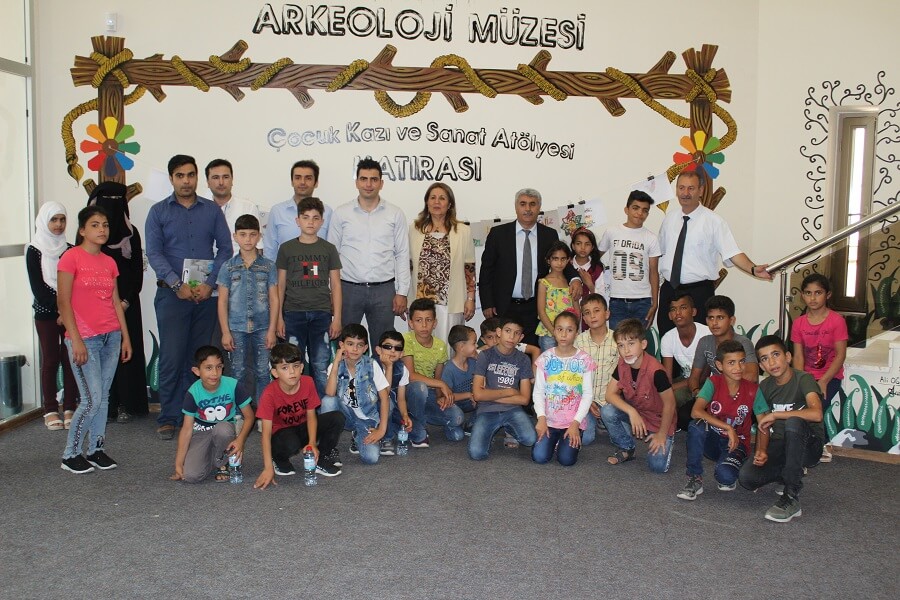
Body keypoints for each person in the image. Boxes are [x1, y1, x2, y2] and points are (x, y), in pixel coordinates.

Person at [146, 154, 232, 440]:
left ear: (197, 178)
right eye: (180, 175)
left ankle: (194, 413)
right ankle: (169, 416)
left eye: (190, 175)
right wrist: (175, 284)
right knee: (171, 357)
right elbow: (155, 253)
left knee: (198, 358)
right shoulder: (158, 212)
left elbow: (225, 250)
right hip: (172, 296)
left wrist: (210, 284)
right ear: (172, 178)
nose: (186, 181)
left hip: (204, 296)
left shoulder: (211, 210)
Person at [57, 205, 132, 474]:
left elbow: (114, 302)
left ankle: (96, 449)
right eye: (95, 225)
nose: (102, 230)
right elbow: (63, 302)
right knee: (91, 399)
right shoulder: (70, 258)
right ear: (82, 230)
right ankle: (71, 454)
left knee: (103, 398)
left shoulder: (109, 262)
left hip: (111, 336)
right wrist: (75, 339)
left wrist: (125, 337)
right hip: (84, 339)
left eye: (105, 225)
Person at [657, 170, 772, 336]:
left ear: (701, 190)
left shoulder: (714, 222)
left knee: (701, 344)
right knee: (667, 338)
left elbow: (732, 252)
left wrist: (753, 269)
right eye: (681, 188)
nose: (685, 193)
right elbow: (659, 254)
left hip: (698, 292)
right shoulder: (669, 219)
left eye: (691, 188)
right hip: (670, 290)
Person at [479, 188, 582, 346]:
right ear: (516, 207)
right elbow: (486, 270)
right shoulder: (498, 234)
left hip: (536, 306)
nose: (528, 209)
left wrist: (575, 278)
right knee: (505, 352)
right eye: (523, 204)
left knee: (533, 351)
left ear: (539, 207)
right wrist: (487, 302)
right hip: (503, 305)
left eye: (532, 204)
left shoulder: (549, 235)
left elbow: (562, 261)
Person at [739, 335, 825, 523]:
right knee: (747, 478)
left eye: (776, 354)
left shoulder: (804, 379)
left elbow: (816, 414)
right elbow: (763, 424)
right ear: (761, 366)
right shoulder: (765, 386)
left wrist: (777, 415)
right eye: (765, 359)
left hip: (809, 446)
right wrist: (761, 450)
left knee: (793, 422)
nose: (772, 362)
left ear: (787, 357)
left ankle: (791, 496)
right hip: (781, 444)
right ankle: (789, 472)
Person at [328, 158, 410, 348]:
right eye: (363, 179)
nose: (368, 184)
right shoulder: (341, 213)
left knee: (383, 347)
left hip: (384, 290)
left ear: (381, 183)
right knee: (347, 346)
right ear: (356, 182)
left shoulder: (395, 213)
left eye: (374, 179)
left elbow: (402, 254)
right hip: (348, 289)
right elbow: (332, 256)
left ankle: (383, 378)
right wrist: (330, 292)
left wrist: (402, 292)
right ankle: (345, 378)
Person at [87, 182, 149, 424]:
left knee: (126, 353)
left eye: (116, 199)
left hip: (126, 304)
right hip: (96, 307)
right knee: (100, 355)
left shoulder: (131, 232)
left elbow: (136, 272)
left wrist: (125, 301)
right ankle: (105, 406)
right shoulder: (91, 235)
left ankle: (128, 404)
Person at [676, 340, 760, 500]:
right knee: (696, 425)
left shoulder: (753, 389)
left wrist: (761, 452)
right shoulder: (713, 382)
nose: (738, 367)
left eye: (742, 361)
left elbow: (763, 422)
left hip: (737, 442)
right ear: (719, 365)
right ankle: (694, 477)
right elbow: (696, 411)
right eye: (731, 363)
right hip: (714, 439)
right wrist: (727, 428)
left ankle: (733, 462)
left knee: (725, 478)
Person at [276, 196, 342, 397]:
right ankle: (296, 409)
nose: (310, 222)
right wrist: (278, 317)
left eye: (315, 218)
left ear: (322, 221)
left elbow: (336, 284)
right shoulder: (287, 248)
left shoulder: (328, 249)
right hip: (293, 314)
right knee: (292, 365)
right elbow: (280, 284)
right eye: (306, 217)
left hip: (321, 314)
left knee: (320, 364)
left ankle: (324, 410)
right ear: (298, 220)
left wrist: (337, 317)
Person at [253, 343, 345, 488]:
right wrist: (267, 467)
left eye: (295, 366)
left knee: (337, 418)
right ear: (275, 373)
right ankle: (278, 460)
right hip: (282, 435)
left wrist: (312, 443)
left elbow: (311, 416)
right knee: (291, 442)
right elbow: (265, 434)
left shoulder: (307, 382)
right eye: (285, 368)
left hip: (302, 428)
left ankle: (320, 458)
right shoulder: (269, 394)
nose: (292, 372)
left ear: (302, 368)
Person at [26, 202, 78, 430]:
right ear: (44, 222)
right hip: (46, 313)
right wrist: (60, 309)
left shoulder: (70, 249)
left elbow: (75, 283)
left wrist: (66, 310)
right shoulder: (34, 249)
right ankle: (49, 409)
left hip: (69, 313)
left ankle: (69, 406)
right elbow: (38, 287)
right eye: (53, 220)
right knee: (50, 359)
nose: (58, 225)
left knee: (71, 359)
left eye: (62, 220)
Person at [216, 214, 278, 406]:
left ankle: (263, 416)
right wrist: (225, 332)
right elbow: (222, 302)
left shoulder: (268, 266)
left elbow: (274, 299)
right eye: (243, 235)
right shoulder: (228, 267)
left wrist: (272, 330)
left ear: (259, 236)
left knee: (262, 371)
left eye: (252, 234)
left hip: (262, 327)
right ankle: (239, 415)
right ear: (235, 236)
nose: (248, 239)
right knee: (237, 371)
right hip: (236, 327)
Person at [170, 346, 255, 483]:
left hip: (224, 431)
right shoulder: (193, 392)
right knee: (191, 476)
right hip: (201, 434)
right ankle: (215, 456)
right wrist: (178, 464)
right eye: (208, 368)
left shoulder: (233, 385)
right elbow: (186, 429)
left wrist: (240, 441)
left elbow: (250, 417)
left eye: (218, 367)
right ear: (197, 371)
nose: (215, 373)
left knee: (223, 429)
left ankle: (223, 464)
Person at [602, 318, 676, 473]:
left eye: (631, 344)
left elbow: (670, 404)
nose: (626, 350)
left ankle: (667, 437)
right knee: (607, 411)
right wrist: (632, 411)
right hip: (638, 413)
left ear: (643, 344)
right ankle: (627, 448)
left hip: (659, 420)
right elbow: (610, 394)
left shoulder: (656, 372)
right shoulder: (622, 364)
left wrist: (662, 434)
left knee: (657, 467)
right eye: (621, 345)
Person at [409, 182, 476, 343]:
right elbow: (408, 266)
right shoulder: (415, 229)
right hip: (422, 301)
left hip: (451, 302)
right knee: (421, 347)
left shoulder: (462, 231)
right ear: (427, 202)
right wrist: (405, 296)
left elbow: (470, 267)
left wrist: (470, 299)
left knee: (448, 346)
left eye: (442, 198)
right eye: (432, 198)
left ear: (450, 204)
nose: (436, 202)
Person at [791, 273, 847, 463]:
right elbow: (798, 356)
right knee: (798, 404)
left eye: (818, 293)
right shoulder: (799, 323)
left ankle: (820, 443)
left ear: (828, 295)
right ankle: (810, 443)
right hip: (806, 376)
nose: (812, 298)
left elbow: (840, 355)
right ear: (802, 295)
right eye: (808, 293)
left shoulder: (837, 321)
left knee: (815, 406)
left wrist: (823, 381)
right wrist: (799, 380)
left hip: (830, 377)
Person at [468, 316, 537, 460]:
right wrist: (510, 392)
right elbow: (478, 396)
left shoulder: (523, 359)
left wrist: (490, 395)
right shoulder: (485, 356)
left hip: (512, 410)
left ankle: (508, 428)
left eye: (516, 333)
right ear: (499, 332)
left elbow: (524, 399)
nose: (511, 337)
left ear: (521, 337)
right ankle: (489, 429)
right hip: (487, 410)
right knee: (477, 454)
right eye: (507, 331)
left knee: (530, 439)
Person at [532, 312, 596, 466]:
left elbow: (587, 394)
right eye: (560, 329)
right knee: (539, 457)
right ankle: (556, 441)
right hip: (549, 420)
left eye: (569, 330)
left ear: (576, 333)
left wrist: (576, 423)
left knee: (566, 460)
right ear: (554, 332)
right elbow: (539, 392)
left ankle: (570, 439)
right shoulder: (545, 359)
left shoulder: (584, 360)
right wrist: (541, 418)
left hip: (572, 422)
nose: (564, 334)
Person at [322, 324, 390, 465]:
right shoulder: (336, 366)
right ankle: (327, 449)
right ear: (341, 345)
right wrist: (336, 363)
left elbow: (384, 398)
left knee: (371, 458)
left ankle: (358, 434)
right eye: (350, 344)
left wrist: (381, 430)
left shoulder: (372, 365)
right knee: (328, 401)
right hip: (345, 414)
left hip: (366, 419)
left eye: (359, 345)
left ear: (365, 348)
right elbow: (330, 392)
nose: (354, 349)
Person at [598, 190, 661, 330]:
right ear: (626, 210)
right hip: (617, 300)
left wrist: (655, 302)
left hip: (642, 300)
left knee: (638, 342)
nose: (640, 213)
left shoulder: (651, 238)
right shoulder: (611, 232)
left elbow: (653, 272)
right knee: (617, 342)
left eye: (645, 210)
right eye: (635, 208)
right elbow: (596, 256)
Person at [403, 298, 463, 446]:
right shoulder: (406, 340)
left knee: (458, 418)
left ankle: (416, 417)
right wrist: (441, 384)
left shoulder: (440, 346)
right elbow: (411, 376)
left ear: (435, 323)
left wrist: (439, 397)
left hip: (429, 393)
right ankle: (418, 425)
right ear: (411, 323)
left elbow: (437, 376)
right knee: (419, 387)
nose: (424, 325)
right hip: (407, 392)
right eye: (418, 320)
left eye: (428, 320)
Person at [687, 296, 759, 402]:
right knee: (686, 413)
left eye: (720, 318)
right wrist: (697, 392)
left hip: (741, 397)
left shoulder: (743, 343)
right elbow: (694, 377)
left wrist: (719, 389)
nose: (714, 323)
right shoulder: (704, 342)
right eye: (711, 318)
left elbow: (752, 377)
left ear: (732, 320)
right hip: (715, 395)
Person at [660, 292, 711, 431]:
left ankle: (672, 423)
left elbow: (702, 377)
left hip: (707, 382)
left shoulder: (706, 334)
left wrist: (670, 390)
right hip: (685, 379)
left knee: (672, 396)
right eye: (673, 309)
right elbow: (667, 377)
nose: (678, 313)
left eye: (683, 307)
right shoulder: (668, 338)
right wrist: (666, 389)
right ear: (670, 315)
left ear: (693, 311)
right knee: (656, 393)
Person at [574, 293, 619, 446]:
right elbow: (573, 376)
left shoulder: (618, 341)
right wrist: (587, 400)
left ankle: (605, 420)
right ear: (583, 318)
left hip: (611, 399)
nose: (592, 316)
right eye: (587, 313)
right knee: (585, 439)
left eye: (597, 310)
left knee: (619, 433)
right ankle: (598, 421)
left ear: (607, 314)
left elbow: (623, 376)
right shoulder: (578, 342)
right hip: (586, 399)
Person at [264, 160, 332, 259]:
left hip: (319, 272)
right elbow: (269, 249)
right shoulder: (277, 211)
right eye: (298, 178)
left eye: (308, 178)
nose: (302, 182)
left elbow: (331, 249)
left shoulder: (327, 212)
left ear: (316, 182)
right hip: (286, 273)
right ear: (292, 181)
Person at [205, 159, 262, 254]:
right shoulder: (200, 210)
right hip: (208, 266)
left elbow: (258, 246)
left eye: (226, 177)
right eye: (215, 177)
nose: (221, 182)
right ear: (208, 182)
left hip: (240, 267)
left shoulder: (248, 208)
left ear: (232, 180)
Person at [372, 330, 414, 456]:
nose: (392, 351)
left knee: (416, 433)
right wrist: (389, 367)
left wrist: (405, 415)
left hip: (393, 408)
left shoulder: (402, 369)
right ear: (378, 350)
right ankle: (387, 437)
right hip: (373, 408)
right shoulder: (371, 365)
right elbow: (385, 394)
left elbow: (401, 398)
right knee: (388, 402)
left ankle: (392, 427)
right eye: (388, 346)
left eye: (397, 348)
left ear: (402, 354)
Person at [536, 241, 579, 352]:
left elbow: (576, 307)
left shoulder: (570, 282)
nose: (559, 263)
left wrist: (575, 328)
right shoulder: (544, 283)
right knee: (549, 365)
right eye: (555, 259)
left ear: (568, 260)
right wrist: (553, 331)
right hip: (548, 333)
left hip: (568, 332)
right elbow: (541, 311)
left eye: (563, 259)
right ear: (548, 260)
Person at [441, 325, 480, 433]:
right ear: (461, 347)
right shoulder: (449, 369)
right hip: (454, 405)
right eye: (473, 343)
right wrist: (469, 395)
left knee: (488, 399)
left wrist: (480, 360)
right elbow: (446, 397)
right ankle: (453, 423)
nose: (477, 346)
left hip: (471, 402)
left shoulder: (474, 362)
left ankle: (471, 425)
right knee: (457, 434)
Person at [570, 227, 607, 324]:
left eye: (587, 244)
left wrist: (590, 284)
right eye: (578, 244)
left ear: (592, 247)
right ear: (573, 246)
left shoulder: (597, 269)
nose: (582, 248)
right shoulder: (566, 266)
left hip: (590, 319)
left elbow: (602, 299)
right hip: (568, 315)